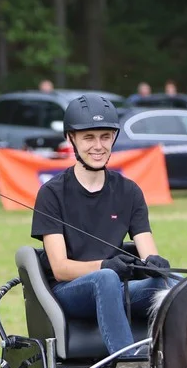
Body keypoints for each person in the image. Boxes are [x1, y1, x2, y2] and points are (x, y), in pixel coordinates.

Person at [31, 94, 175, 354]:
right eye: (89, 137)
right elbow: (61, 269)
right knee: (105, 279)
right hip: (70, 292)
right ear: (71, 139)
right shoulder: (51, 193)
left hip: (118, 287)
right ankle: (128, 367)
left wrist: (157, 263)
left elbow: (148, 250)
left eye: (105, 137)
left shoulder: (129, 191)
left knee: (174, 283)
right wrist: (104, 266)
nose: (98, 146)